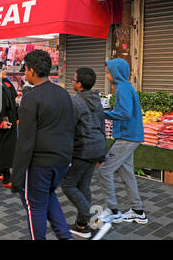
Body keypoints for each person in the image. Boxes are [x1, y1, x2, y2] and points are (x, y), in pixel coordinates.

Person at [12, 50, 75, 240]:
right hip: (62, 160)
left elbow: (25, 140)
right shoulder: (63, 93)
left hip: (40, 163)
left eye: (26, 71)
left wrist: (17, 174)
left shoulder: (31, 98)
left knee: (36, 206)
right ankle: (66, 236)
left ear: (31, 71)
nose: (25, 74)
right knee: (48, 196)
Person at [60, 68, 108, 239]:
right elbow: (102, 126)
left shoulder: (75, 102)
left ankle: (88, 215)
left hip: (83, 149)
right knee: (83, 185)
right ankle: (82, 225)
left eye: (73, 79)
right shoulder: (97, 99)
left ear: (79, 84)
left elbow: (68, 128)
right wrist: (102, 154)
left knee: (68, 184)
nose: (72, 82)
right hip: (98, 147)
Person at [98, 59, 147, 224]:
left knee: (104, 170)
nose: (107, 75)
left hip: (127, 137)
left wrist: (103, 113)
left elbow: (125, 113)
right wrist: (109, 112)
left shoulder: (123, 88)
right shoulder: (124, 87)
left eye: (108, 72)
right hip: (129, 136)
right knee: (127, 174)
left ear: (116, 72)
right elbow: (123, 111)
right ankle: (138, 211)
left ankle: (113, 211)